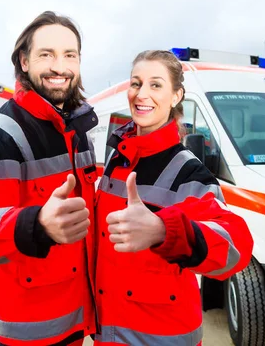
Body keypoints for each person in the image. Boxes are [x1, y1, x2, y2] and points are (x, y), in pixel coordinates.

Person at [0, 11, 99, 346]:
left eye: (70, 55)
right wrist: (35, 224)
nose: (60, 66)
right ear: (24, 62)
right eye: (47, 54)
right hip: (25, 331)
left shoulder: (78, 133)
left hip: (74, 318)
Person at [93, 50, 254, 345]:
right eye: (136, 83)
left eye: (156, 85)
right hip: (109, 332)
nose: (142, 94)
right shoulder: (118, 159)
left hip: (162, 336)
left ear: (176, 96)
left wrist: (163, 230)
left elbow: (235, 246)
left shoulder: (189, 172)